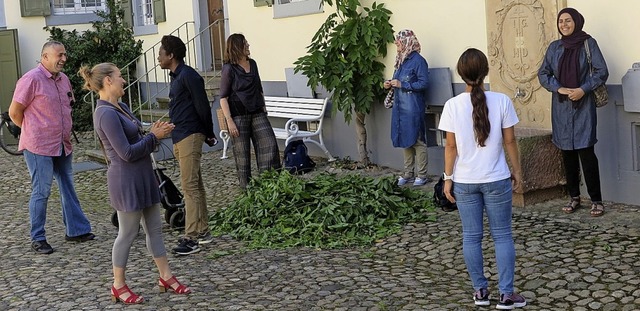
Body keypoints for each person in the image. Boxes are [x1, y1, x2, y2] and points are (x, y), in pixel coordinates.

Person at [80, 62, 191, 304]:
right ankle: (118, 285)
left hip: (143, 175)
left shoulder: (121, 107)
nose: (123, 80)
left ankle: (166, 276)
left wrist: (153, 130)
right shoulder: (105, 113)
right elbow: (126, 153)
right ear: (108, 80)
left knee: (155, 229)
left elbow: (137, 134)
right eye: (119, 76)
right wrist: (154, 137)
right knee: (128, 233)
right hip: (125, 179)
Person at [438, 48, 526, 309]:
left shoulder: (452, 105)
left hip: (465, 181)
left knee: (471, 237)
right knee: (502, 236)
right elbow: (510, 140)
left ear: (461, 73)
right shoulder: (502, 100)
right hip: (497, 178)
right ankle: (507, 295)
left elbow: (450, 147)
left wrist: (447, 178)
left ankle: (480, 292)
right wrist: (518, 171)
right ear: (486, 71)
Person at [8, 41, 94, 255]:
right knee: (42, 190)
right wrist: (32, 130)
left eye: (65, 54)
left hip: (62, 143)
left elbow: (68, 106)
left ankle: (76, 230)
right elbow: (14, 112)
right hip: (38, 145)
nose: (64, 58)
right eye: (59, 55)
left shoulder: (63, 79)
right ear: (44, 57)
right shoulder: (30, 79)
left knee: (67, 185)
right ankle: (37, 238)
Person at [538, 7, 608, 217]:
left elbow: (601, 71)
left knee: (587, 153)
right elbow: (543, 73)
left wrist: (583, 89)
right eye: (561, 22)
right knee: (567, 153)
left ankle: (596, 200)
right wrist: (557, 87)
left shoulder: (589, 43)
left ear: (577, 21)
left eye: (568, 21)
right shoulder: (554, 47)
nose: (564, 25)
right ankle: (574, 197)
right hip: (561, 108)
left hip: (583, 107)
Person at [158, 35, 217, 255]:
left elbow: (203, 106)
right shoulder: (176, 76)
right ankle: (202, 230)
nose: (158, 57)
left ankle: (191, 237)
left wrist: (208, 132)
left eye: (161, 53)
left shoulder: (189, 76)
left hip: (190, 134)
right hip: (181, 134)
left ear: (171, 55)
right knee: (196, 185)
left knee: (189, 186)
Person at [219, 33, 281, 189]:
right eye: (245, 44)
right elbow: (223, 98)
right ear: (237, 47)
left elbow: (259, 88)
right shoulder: (229, 69)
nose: (248, 46)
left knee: (269, 144)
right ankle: (246, 190)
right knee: (242, 156)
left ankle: (269, 184)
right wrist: (229, 121)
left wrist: (264, 107)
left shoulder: (252, 64)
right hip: (238, 117)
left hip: (257, 113)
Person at [383, 29, 431, 186]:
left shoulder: (418, 61)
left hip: (413, 107)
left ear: (407, 42)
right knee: (405, 140)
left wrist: (403, 84)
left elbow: (424, 83)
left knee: (417, 141)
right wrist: (389, 83)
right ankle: (408, 173)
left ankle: (422, 175)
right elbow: (398, 80)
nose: (396, 43)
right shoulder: (400, 60)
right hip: (400, 108)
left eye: (399, 41)